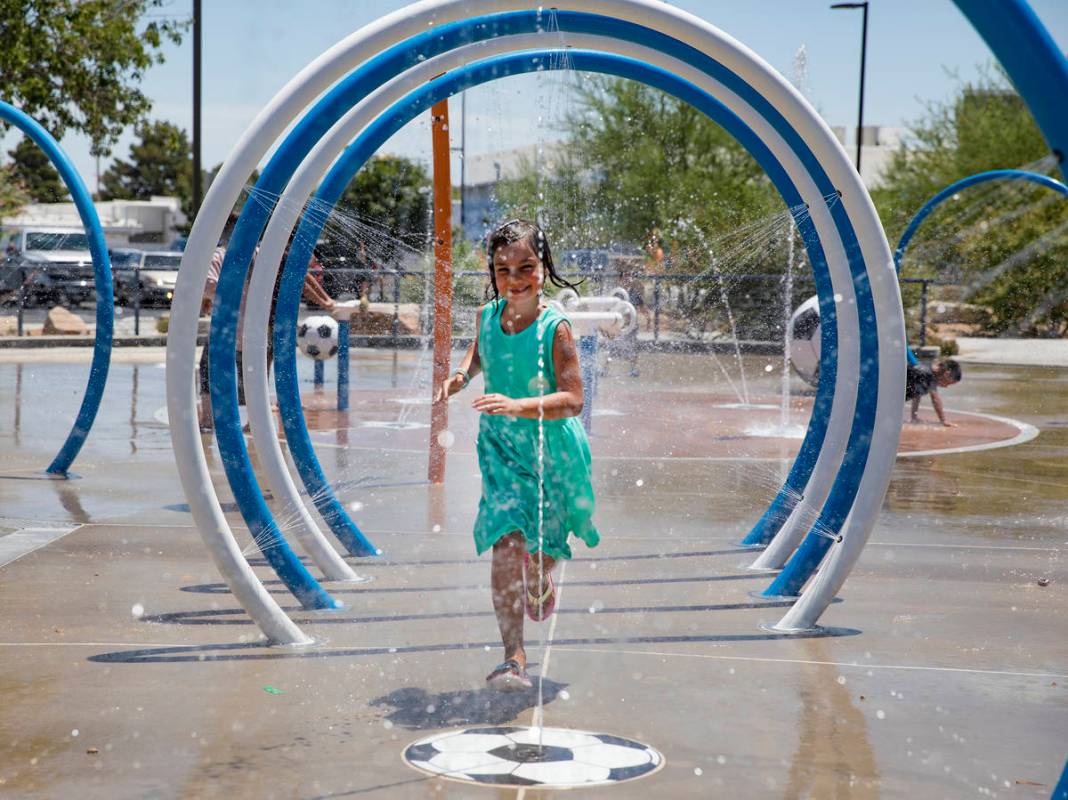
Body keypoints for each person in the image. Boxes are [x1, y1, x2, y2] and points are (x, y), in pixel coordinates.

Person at [434, 219, 600, 692]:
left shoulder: (557, 328)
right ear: (492, 271)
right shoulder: (490, 315)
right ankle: (513, 657)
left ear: (543, 268)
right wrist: (461, 378)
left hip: (552, 451)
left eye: (526, 267)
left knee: (541, 551)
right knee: (506, 545)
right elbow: (479, 354)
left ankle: (540, 577)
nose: (515, 278)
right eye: (503, 269)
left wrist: (517, 405)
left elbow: (574, 400)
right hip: (502, 451)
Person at [906, 358, 962, 427]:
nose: (946, 387)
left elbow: (917, 396)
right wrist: (943, 420)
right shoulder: (929, 375)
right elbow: (935, 399)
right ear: (946, 374)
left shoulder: (927, 370)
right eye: (948, 383)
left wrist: (914, 417)